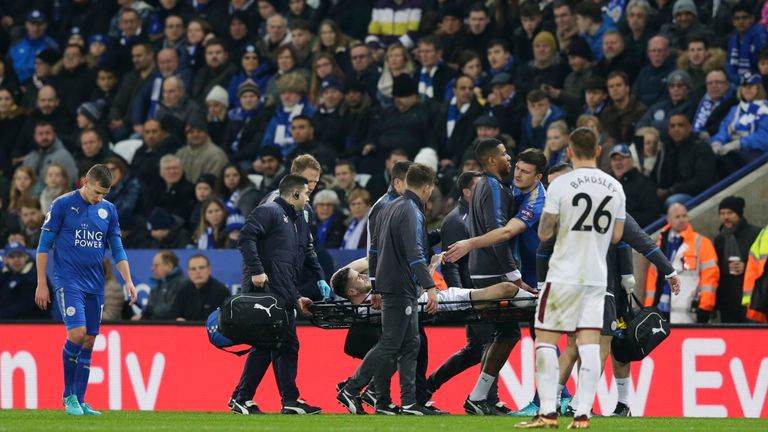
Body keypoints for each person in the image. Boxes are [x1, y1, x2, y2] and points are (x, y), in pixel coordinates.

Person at [515, 127, 625, 430]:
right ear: (599, 151)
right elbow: (617, 236)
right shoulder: (615, 187)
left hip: (564, 273)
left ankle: (548, 412)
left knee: (546, 341)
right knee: (589, 344)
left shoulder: (562, 185)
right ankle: (582, 415)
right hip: (596, 278)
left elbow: (544, 232)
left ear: (570, 152)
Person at [34, 164, 138, 416]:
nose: (99, 198)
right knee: (77, 334)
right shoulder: (62, 204)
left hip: (95, 284)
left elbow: (117, 249)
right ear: (85, 182)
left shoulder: (108, 210)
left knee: (90, 340)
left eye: (104, 194)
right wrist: (41, 283)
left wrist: (128, 280)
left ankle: (81, 400)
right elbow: (43, 246)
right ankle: (68, 396)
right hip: (68, 281)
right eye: (96, 192)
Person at [337, 163, 439, 416]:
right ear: (426, 188)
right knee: (391, 344)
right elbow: (415, 255)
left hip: (391, 285)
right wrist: (430, 287)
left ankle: (407, 402)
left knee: (410, 344)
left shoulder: (387, 207)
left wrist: (376, 286)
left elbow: (373, 252)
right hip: (401, 285)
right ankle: (351, 389)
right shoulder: (412, 211)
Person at [230, 175, 322, 415]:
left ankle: (269, 399)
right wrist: (257, 271)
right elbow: (245, 239)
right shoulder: (269, 211)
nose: (308, 197)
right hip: (265, 293)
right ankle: (252, 398)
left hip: (282, 291)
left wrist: (296, 297)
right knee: (273, 343)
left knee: (279, 344)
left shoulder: (295, 221)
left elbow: (286, 267)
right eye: (306, 193)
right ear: (294, 195)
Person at [462, 139, 532, 415]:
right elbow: (497, 234)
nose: (509, 158)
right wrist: (513, 275)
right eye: (503, 154)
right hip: (494, 271)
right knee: (508, 334)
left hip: (480, 268)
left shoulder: (481, 187)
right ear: (491, 160)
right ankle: (479, 397)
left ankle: (484, 398)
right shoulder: (494, 188)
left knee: (500, 333)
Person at [644, 203, 720, 323]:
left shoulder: (702, 243)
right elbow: (653, 280)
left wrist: (705, 307)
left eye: (684, 216)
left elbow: (710, 278)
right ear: (669, 219)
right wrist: (649, 308)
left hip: (690, 313)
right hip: (660, 310)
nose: (682, 220)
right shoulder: (660, 244)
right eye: (677, 217)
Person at [713, 197, 761, 323]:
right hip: (727, 300)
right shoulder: (719, 239)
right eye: (722, 213)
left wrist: (746, 266)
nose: (725, 217)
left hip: (751, 300)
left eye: (730, 213)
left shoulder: (756, 234)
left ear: (738, 214)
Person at [609, 144, 660, 227]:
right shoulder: (607, 183)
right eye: (614, 159)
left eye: (621, 158)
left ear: (631, 160)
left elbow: (652, 214)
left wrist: (624, 224)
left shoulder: (644, 183)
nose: (618, 162)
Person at [171, 254, 230, 321]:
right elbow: (173, 315)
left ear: (209, 270)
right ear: (188, 272)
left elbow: (226, 320)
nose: (197, 271)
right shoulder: (183, 290)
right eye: (193, 269)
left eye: (201, 268)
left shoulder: (221, 291)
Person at [0, 242, 49, 319]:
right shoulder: (4, 274)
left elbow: (25, 306)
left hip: (34, 323)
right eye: (12, 257)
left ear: (26, 257)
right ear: (5, 260)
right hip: (9, 321)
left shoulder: (35, 276)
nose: (16, 260)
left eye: (19, 256)